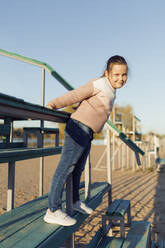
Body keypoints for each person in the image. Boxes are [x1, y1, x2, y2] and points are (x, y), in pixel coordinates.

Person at [44, 55, 128, 226]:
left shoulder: (111, 90)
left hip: (87, 132)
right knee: (65, 168)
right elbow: (76, 94)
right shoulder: (99, 84)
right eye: (116, 75)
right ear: (107, 73)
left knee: (78, 169)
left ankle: (74, 201)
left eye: (124, 75)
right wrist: (53, 104)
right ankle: (52, 210)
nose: (120, 79)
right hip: (77, 127)